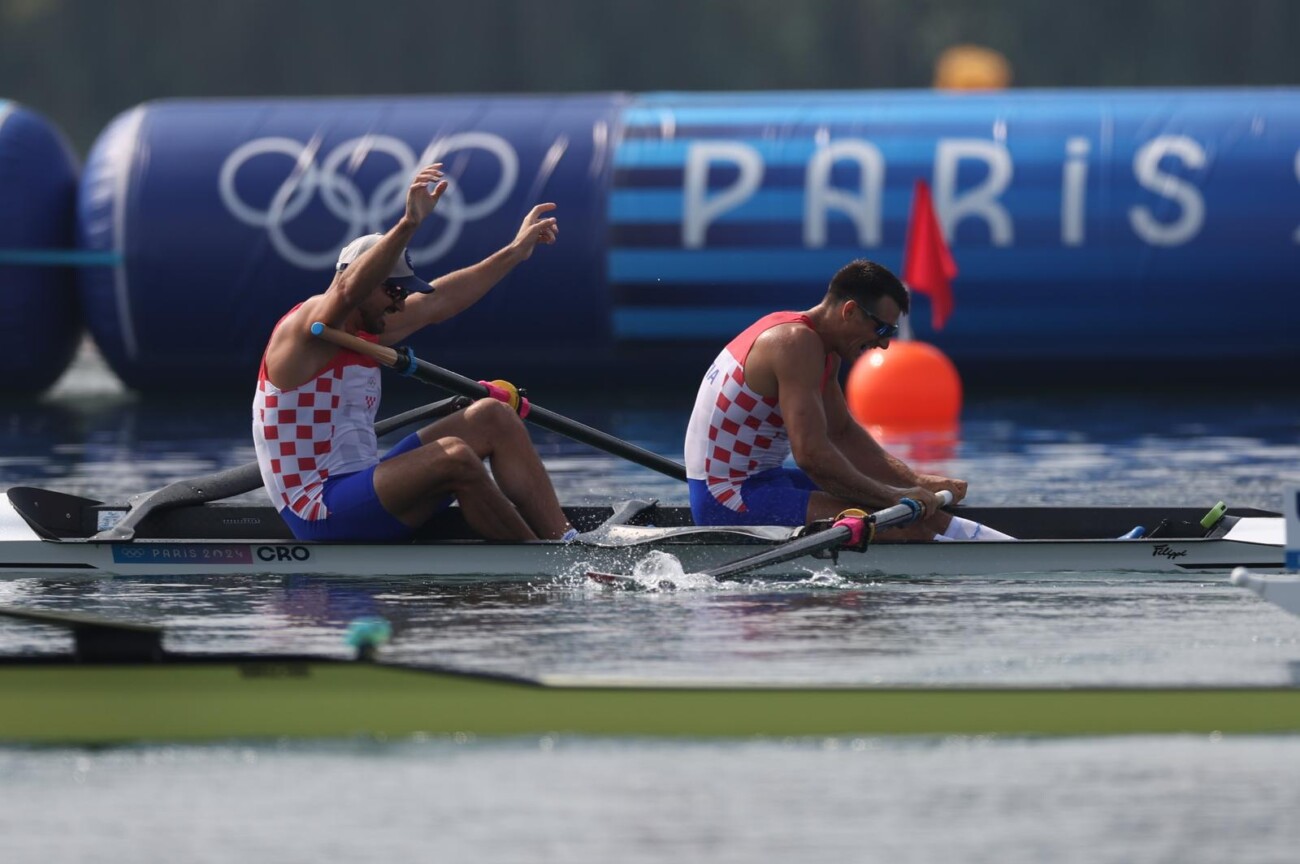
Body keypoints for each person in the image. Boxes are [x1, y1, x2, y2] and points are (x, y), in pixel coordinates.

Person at [253, 163, 573, 543]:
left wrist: (515, 252)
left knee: (493, 416)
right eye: (394, 290)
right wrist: (409, 223)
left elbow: (441, 301)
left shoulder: (371, 328)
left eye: (404, 292)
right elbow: (346, 291)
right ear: (364, 282)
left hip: (361, 488)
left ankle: (566, 541)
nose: (401, 303)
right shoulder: (307, 329)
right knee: (453, 455)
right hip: (318, 508)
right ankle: (539, 562)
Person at [684, 258, 1012, 542]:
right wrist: (893, 496)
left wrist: (915, 482)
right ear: (850, 310)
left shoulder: (822, 347)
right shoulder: (795, 343)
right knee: (904, 525)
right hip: (728, 498)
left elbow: (842, 434)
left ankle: (1006, 549)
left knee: (920, 515)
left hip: (765, 481)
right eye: (882, 330)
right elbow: (812, 456)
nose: (884, 344)